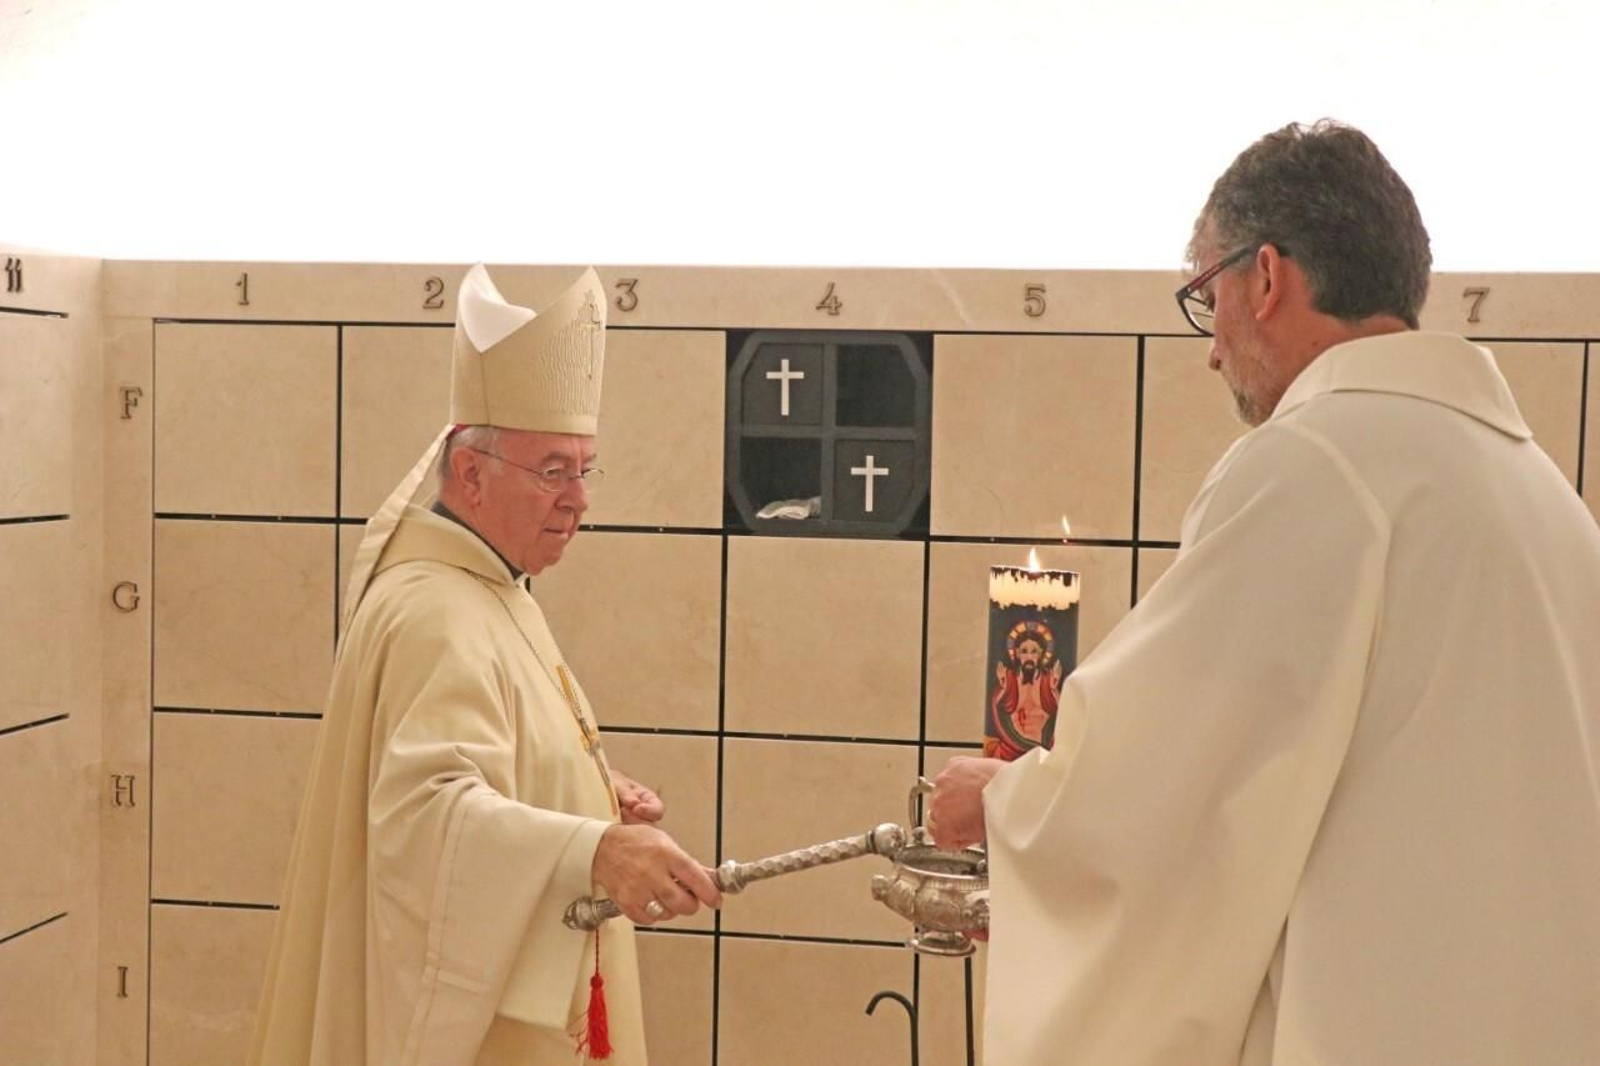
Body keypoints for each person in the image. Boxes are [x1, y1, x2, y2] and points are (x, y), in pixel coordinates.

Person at [929, 120, 1600, 1064]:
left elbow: (1175, 784)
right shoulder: (1546, 498)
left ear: (1268, 276)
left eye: (1207, 295)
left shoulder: (1313, 462)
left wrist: (1008, 810)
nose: (1211, 351)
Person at [249, 264, 721, 1066]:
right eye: (552, 471)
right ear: (469, 473)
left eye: (584, 467)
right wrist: (592, 848)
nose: (579, 498)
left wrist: (576, 784)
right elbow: (423, 816)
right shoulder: (438, 611)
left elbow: (473, 757)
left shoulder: (486, 586)